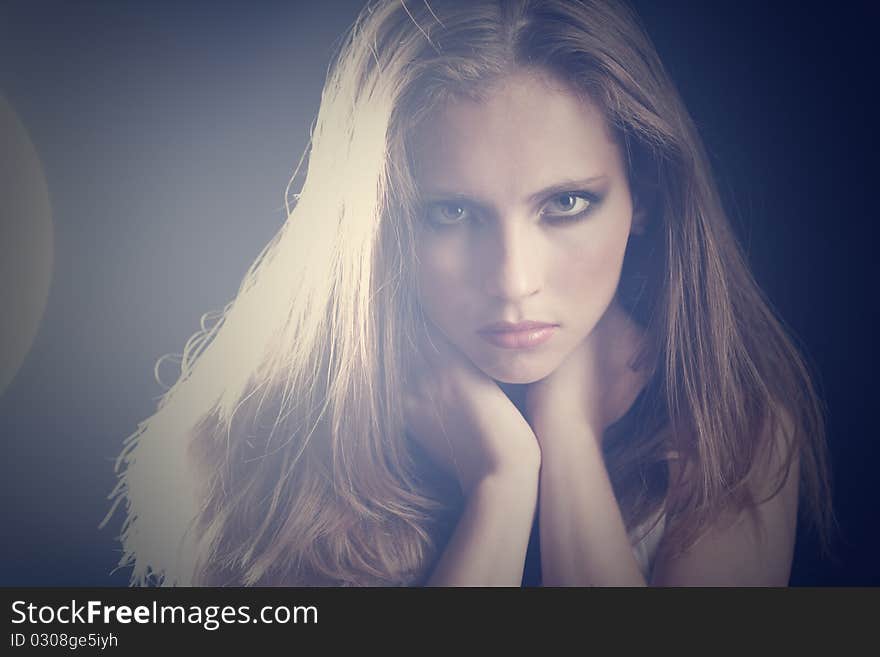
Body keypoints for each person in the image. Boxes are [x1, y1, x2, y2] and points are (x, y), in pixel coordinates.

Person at [102, 0, 834, 587]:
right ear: (378, 222)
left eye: (567, 204)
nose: (514, 282)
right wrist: (502, 482)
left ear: (641, 195)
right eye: (451, 212)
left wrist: (567, 441)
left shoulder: (730, 430)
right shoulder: (255, 441)